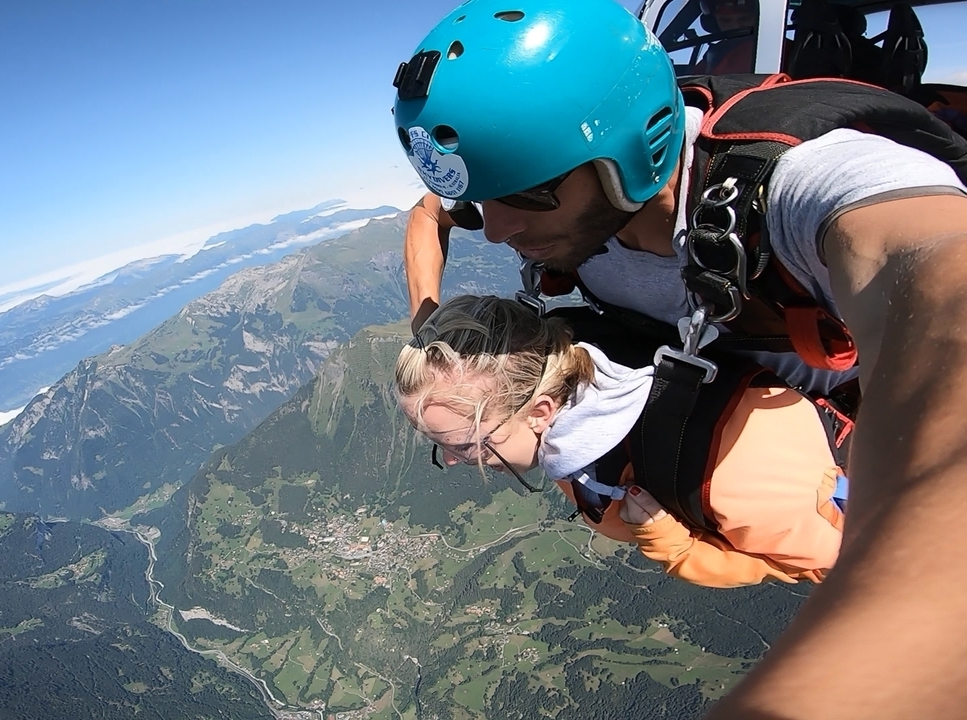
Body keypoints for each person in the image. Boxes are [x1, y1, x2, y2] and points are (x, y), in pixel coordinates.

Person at [394, 0, 967, 717]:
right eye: (484, 201)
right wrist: (430, 326)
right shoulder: (571, 194)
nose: (501, 229)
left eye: (525, 193)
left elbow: (939, 274)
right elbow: (431, 212)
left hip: (825, 458)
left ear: (627, 154)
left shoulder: (804, 186)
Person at [396, 294, 845, 588]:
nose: (453, 462)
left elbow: (839, 565)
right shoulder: (562, 407)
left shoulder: (738, 472)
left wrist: (678, 549)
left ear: (539, 413)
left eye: (467, 445)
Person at [695, 0, 757, 75]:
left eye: (745, 19)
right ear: (714, 22)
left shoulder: (762, 49)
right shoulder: (717, 50)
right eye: (725, 20)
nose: (735, 26)